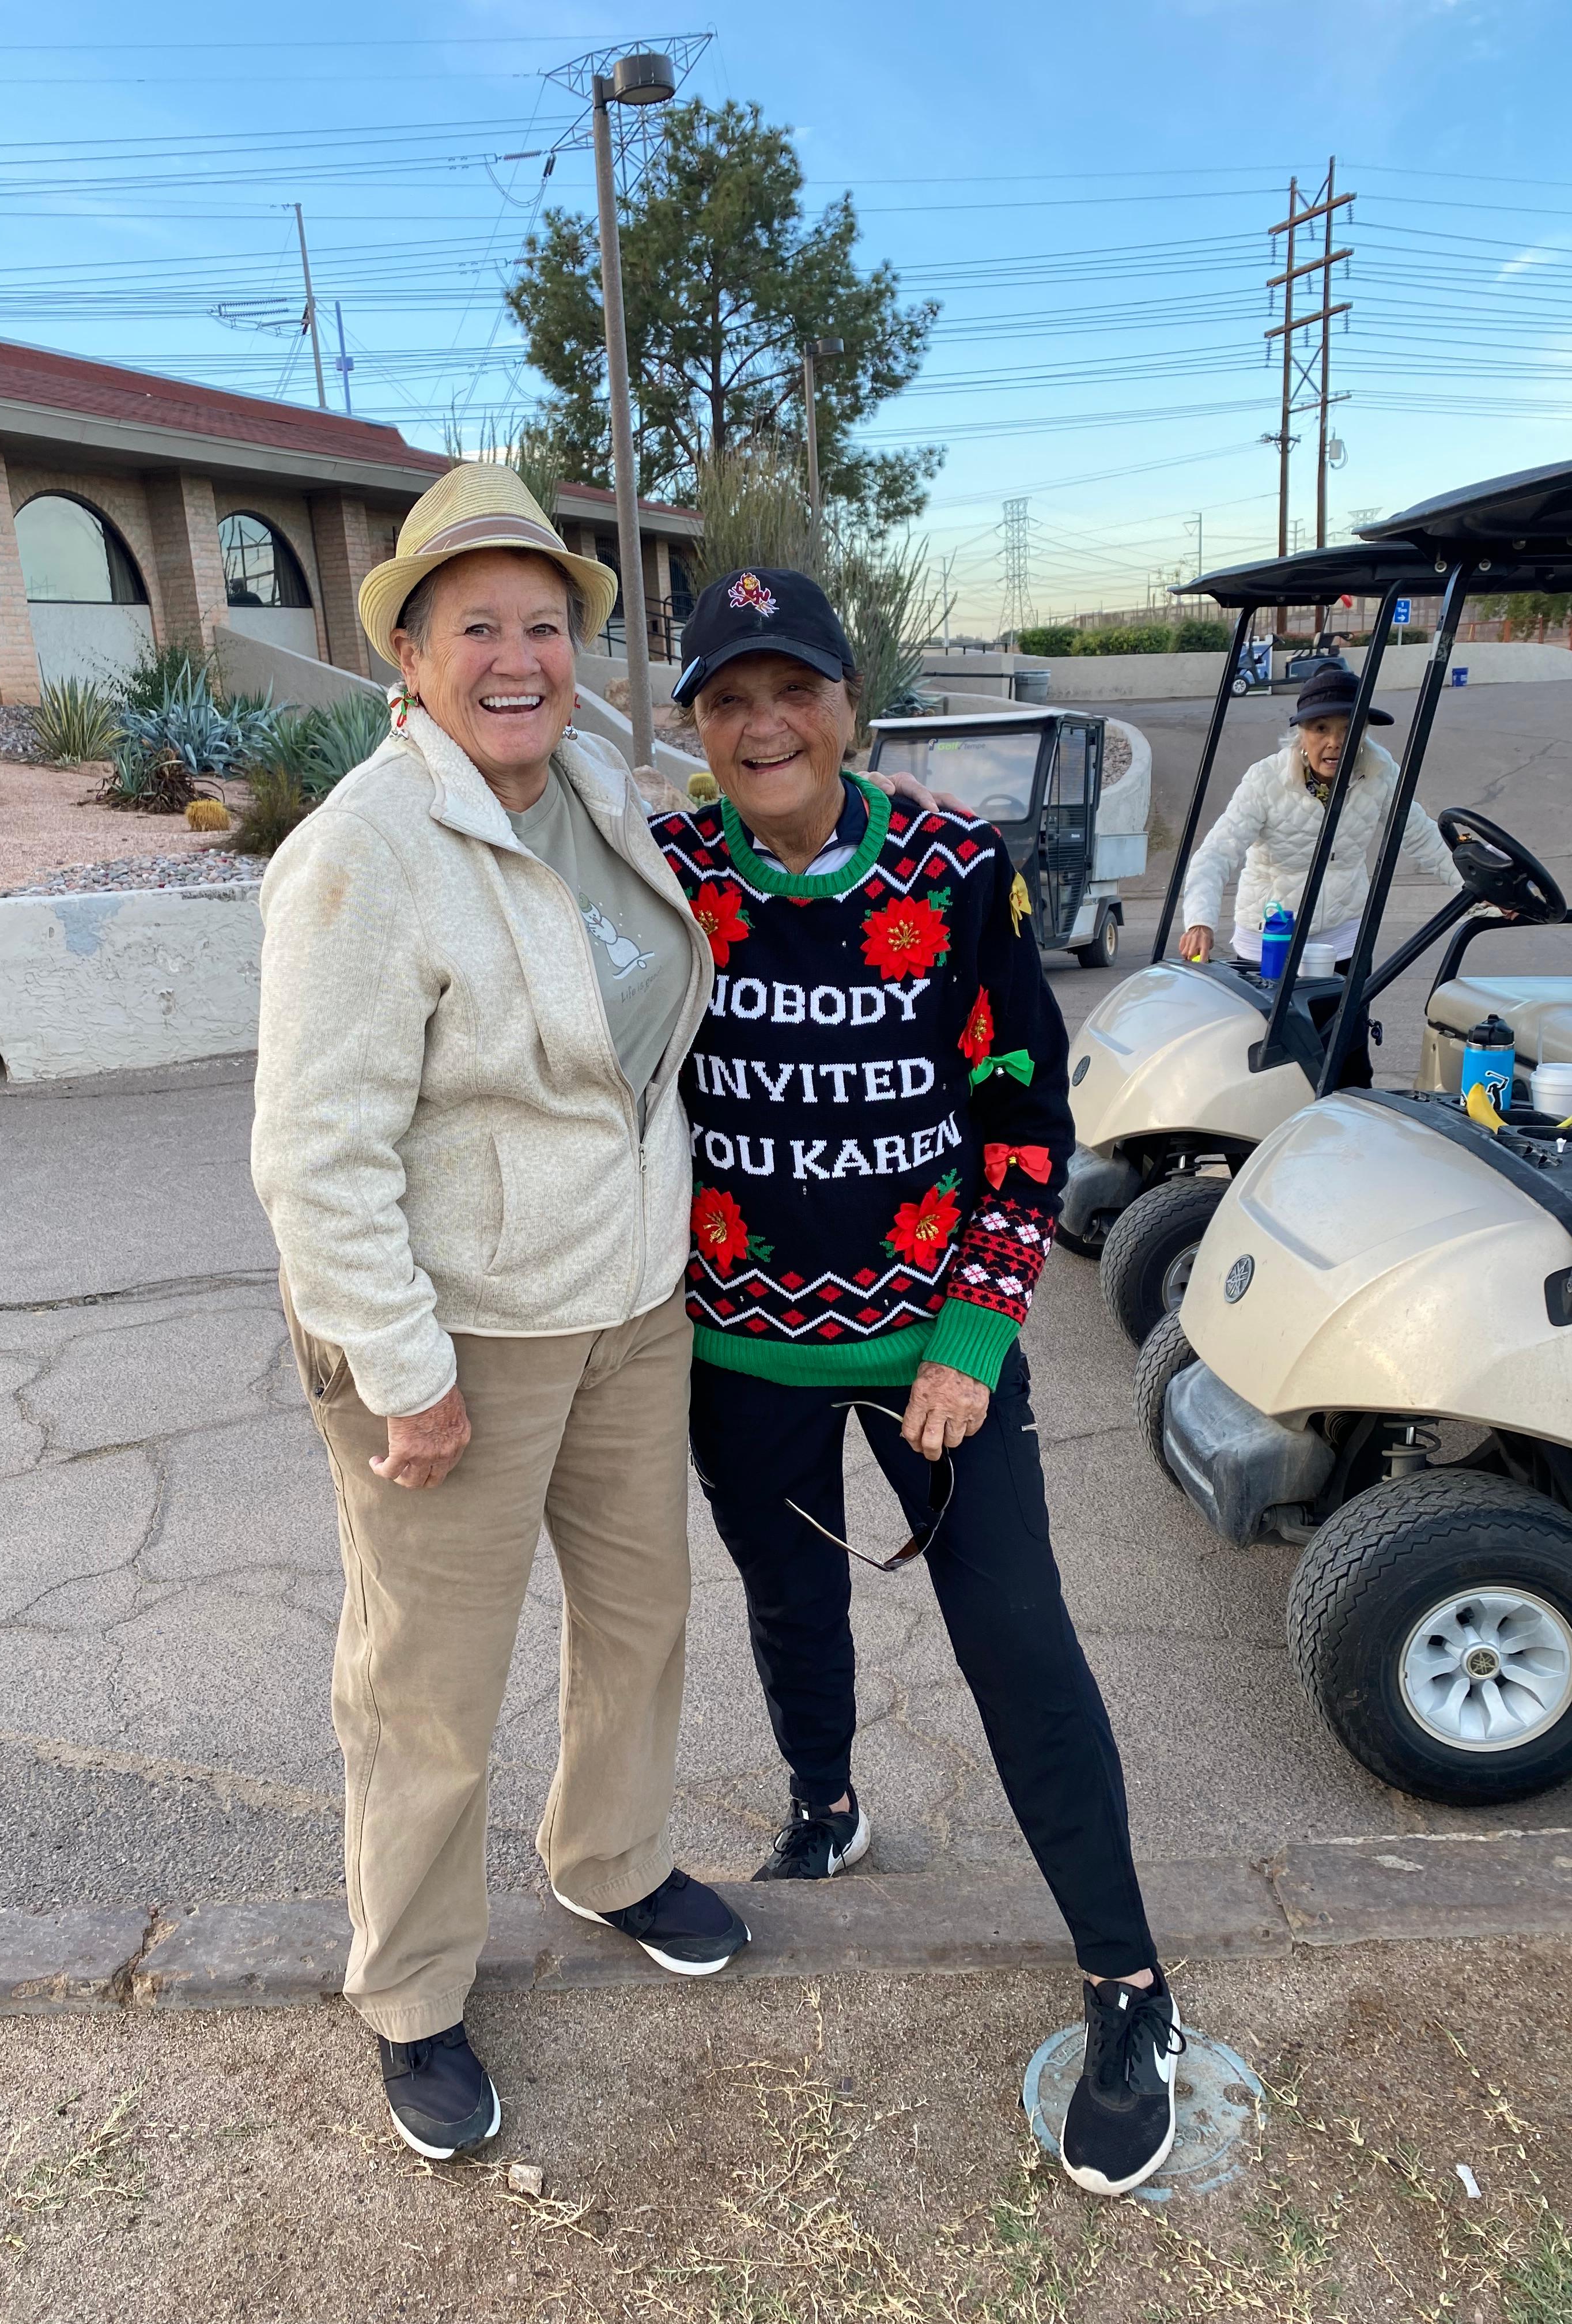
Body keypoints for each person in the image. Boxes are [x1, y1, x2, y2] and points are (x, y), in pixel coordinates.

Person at [652, 567, 1187, 2199]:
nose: (764, 726)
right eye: (729, 701)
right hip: (735, 1344)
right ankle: (826, 1800)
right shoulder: (662, 873)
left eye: (793, 691)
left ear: (848, 706)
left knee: (1017, 1639)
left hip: (937, 1350)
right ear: (694, 729)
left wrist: (974, 1330)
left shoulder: (956, 866)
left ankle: (1127, 1983)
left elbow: (1030, 1111)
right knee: (788, 1602)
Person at [251, 464, 753, 2164]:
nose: (521, 655)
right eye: (480, 627)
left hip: (628, 1306)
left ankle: (608, 1860)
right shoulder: (360, 858)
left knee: (641, 1620)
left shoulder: (595, 787)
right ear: (409, 652)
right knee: (426, 1690)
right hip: (453, 1343)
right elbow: (315, 1159)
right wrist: (404, 1376)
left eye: (545, 622)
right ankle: (410, 1995)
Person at [1179, 663, 1461, 975]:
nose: (1335, 742)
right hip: (1271, 941)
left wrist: (1480, 888)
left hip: (1343, 941)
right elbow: (1217, 853)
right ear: (1301, 733)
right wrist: (1199, 921)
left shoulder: (1380, 773)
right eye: (1321, 728)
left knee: (1347, 1025)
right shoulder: (1266, 780)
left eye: (1348, 729)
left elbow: (1422, 836)